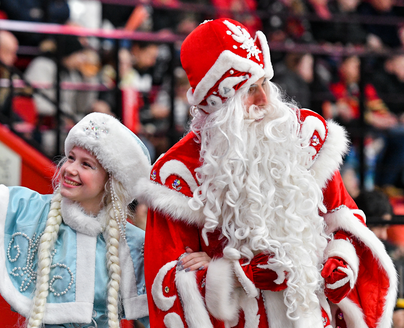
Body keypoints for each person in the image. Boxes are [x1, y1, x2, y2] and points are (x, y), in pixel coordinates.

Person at [137, 18, 396, 327]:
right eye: (249, 91)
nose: (265, 99)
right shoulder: (176, 177)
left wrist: (341, 260)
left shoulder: (302, 136)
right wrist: (233, 274)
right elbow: (167, 285)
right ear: (218, 108)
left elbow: (343, 214)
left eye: (263, 83)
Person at [0, 49, 151, 328]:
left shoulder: (136, 244)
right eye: (70, 158)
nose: (69, 169)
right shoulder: (28, 209)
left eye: (86, 164)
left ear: (111, 180)